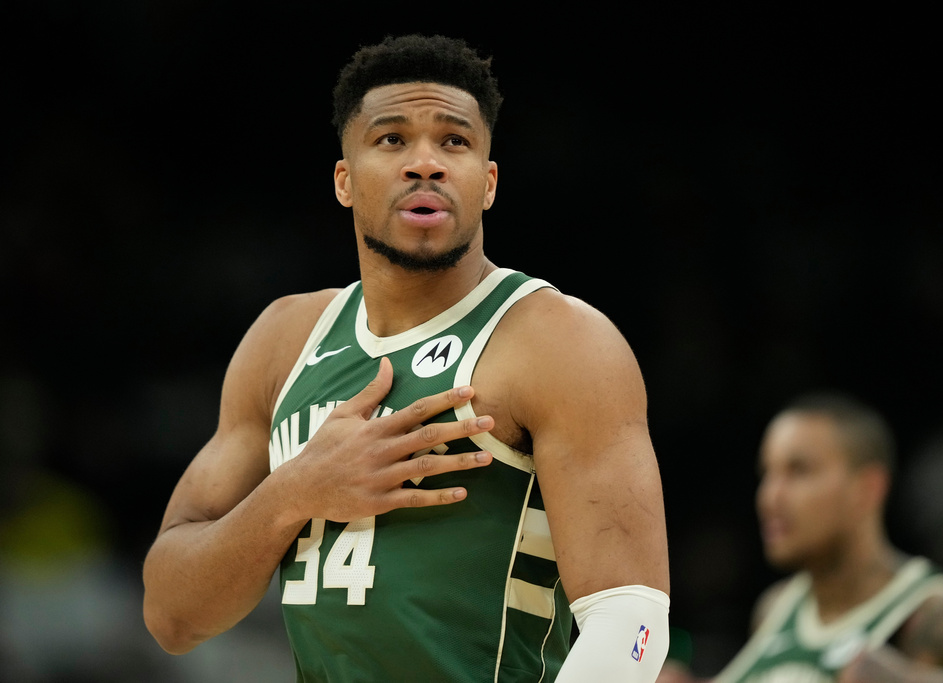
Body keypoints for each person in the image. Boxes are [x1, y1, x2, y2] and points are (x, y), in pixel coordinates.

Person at [142, 34, 671, 682]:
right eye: (392, 139)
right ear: (344, 179)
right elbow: (171, 615)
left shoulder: (559, 340)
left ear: (489, 182)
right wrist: (296, 489)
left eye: (455, 141)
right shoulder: (284, 340)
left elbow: (632, 623)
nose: (427, 162)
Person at [665, 392, 943, 682]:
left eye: (798, 471)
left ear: (867, 489)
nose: (770, 497)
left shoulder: (932, 615)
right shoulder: (775, 608)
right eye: (767, 474)